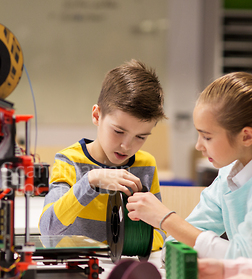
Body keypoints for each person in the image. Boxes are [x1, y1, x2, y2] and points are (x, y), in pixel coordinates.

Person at [39, 59, 166, 251]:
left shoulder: (145, 164)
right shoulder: (69, 161)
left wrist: (121, 245)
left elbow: (160, 232)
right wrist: (90, 180)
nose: (126, 145)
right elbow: (48, 229)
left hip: (119, 269)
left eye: (140, 136)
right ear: (97, 116)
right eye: (118, 131)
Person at [127, 72, 252, 259]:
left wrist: (167, 220)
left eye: (207, 137)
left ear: (246, 136)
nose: (198, 146)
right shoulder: (228, 177)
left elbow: (244, 257)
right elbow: (176, 243)